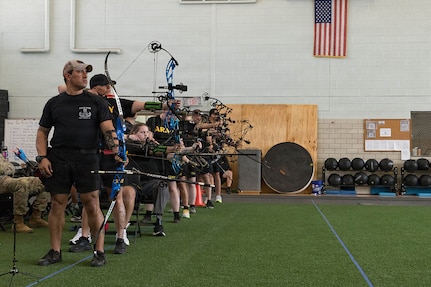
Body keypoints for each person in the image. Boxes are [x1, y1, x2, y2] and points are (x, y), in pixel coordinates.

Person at [36, 60, 119, 267]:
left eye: (86, 72)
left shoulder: (96, 101)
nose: (85, 76)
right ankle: (55, 251)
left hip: (87, 157)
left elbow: (108, 129)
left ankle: (99, 251)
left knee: (92, 202)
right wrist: (42, 157)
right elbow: (42, 132)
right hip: (60, 158)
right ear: (67, 75)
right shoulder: (54, 103)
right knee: (57, 203)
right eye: (80, 72)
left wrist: (117, 149)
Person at [0, 156, 50, 233]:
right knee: (21, 184)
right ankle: (18, 222)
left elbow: (9, 167)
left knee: (43, 181)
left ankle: (36, 217)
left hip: (8, 177)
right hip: (2, 180)